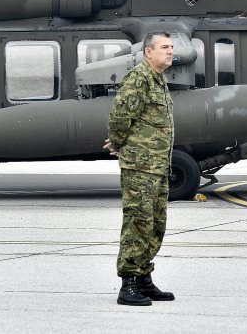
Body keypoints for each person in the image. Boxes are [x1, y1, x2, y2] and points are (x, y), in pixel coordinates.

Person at [104, 31, 176, 306]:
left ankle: (144, 278)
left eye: (171, 47)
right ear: (148, 51)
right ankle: (129, 284)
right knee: (137, 223)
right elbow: (121, 116)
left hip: (157, 166)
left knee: (155, 224)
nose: (170, 51)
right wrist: (119, 143)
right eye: (164, 47)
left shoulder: (158, 80)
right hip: (140, 166)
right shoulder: (139, 78)